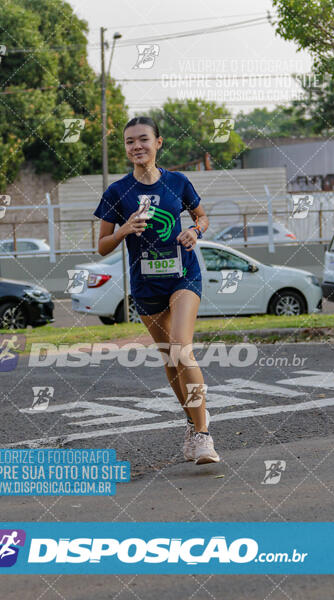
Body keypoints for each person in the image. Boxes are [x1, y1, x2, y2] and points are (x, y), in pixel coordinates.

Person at [93, 116, 220, 465]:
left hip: (183, 276)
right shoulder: (117, 192)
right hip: (146, 285)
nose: (137, 146)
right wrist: (124, 230)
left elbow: (203, 217)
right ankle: (192, 427)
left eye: (143, 139)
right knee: (169, 359)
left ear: (158, 143)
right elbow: (102, 245)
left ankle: (204, 436)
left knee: (182, 347)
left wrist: (196, 231)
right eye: (130, 141)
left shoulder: (177, 182)